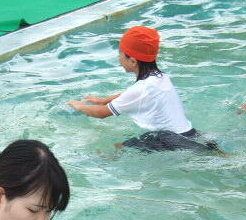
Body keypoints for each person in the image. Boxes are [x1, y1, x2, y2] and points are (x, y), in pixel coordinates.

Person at [66, 26, 214, 152]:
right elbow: (132, 94)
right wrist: (104, 100)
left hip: (170, 139)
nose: (119, 58)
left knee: (116, 149)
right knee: (217, 155)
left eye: (120, 54)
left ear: (132, 61)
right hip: (190, 134)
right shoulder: (160, 77)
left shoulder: (140, 90)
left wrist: (78, 106)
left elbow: (101, 114)